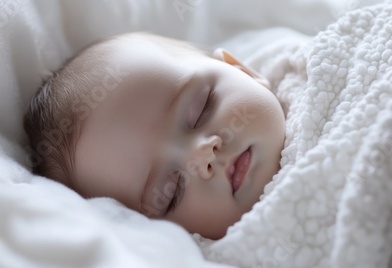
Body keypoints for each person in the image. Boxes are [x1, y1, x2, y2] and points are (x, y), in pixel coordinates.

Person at [23, 33, 286, 240]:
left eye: (201, 109)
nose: (203, 155)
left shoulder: (315, 70)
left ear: (242, 69)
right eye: (171, 192)